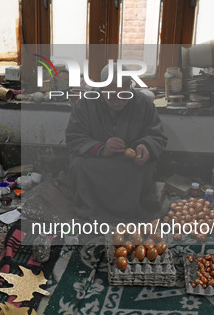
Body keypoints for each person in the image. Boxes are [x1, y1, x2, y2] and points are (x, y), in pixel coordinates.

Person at [65, 65, 168, 224]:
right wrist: (102, 149)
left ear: (130, 87)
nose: (119, 101)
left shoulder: (143, 104)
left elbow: (157, 136)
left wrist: (145, 147)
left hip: (129, 162)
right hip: (96, 160)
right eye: (112, 95)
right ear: (102, 88)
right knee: (78, 165)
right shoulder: (85, 103)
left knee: (144, 168)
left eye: (124, 94)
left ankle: (128, 212)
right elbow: (74, 137)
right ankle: (91, 211)